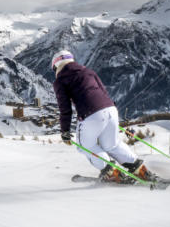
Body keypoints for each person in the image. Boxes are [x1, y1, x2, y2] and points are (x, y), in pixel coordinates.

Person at [51, 50, 152, 183]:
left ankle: (111, 173)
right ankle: (140, 170)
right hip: (111, 110)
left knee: (85, 146)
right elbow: (104, 94)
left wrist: (65, 131)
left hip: (90, 114)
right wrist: (115, 120)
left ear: (56, 65)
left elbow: (65, 109)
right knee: (112, 145)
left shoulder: (60, 80)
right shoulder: (88, 71)